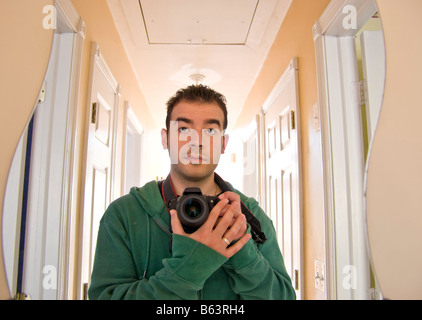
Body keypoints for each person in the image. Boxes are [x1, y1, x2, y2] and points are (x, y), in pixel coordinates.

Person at [88, 85, 296, 300]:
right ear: (165, 138)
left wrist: (243, 252)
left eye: (210, 131)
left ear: (223, 144)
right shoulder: (124, 214)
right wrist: (189, 270)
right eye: (184, 130)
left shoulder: (249, 215)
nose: (197, 143)